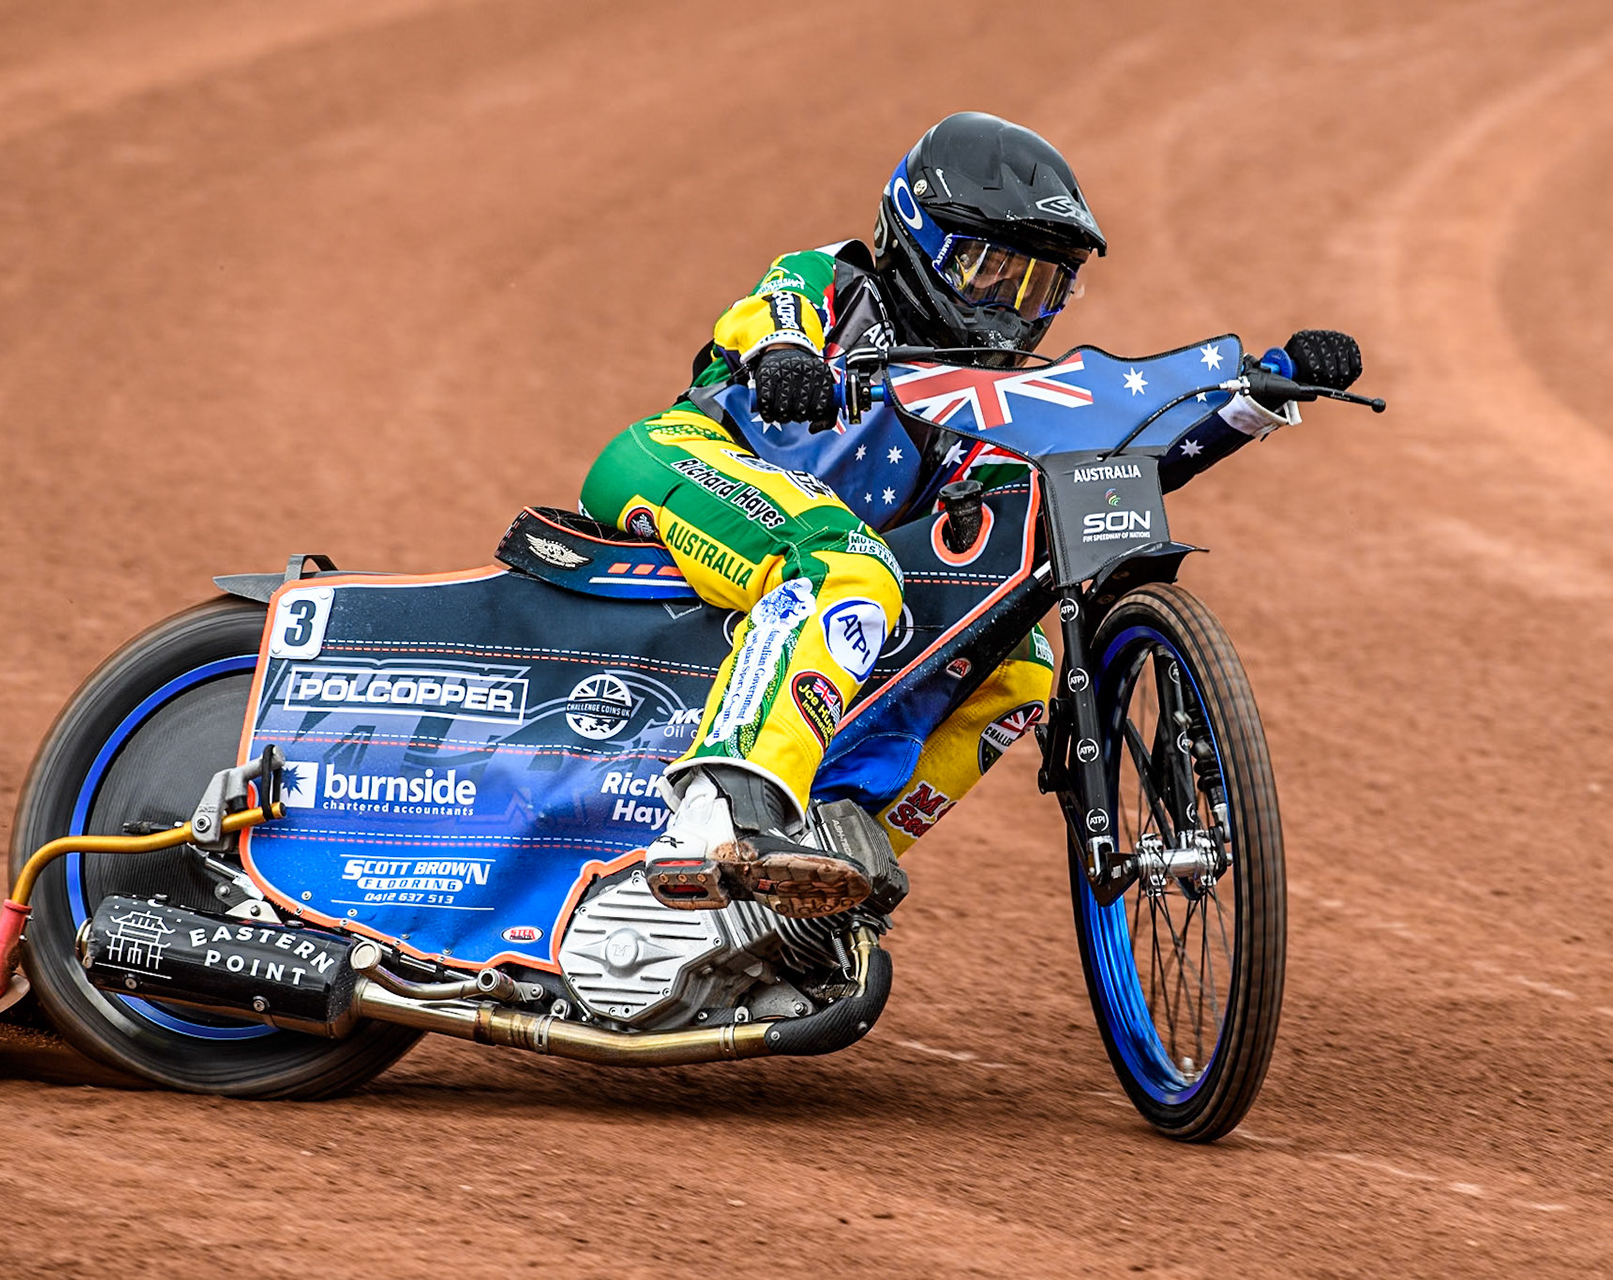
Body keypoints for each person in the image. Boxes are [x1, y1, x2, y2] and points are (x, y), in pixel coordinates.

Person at [578, 111, 1361, 919]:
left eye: (1038, 286)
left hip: (811, 550)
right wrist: (787, 357)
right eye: (991, 273)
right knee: (846, 563)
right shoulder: (838, 283)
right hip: (677, 460)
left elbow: (1121, 464)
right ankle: (721, 818)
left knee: (1016, 665)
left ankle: (817, 873)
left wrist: (1258, 399)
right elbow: (773, 311)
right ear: (915, 238)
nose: (1011, 310)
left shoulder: (992, 408)